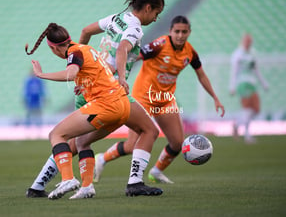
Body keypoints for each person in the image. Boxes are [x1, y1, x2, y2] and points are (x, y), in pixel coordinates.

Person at [26, 0, 165, 198]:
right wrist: (120, 77)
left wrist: (78, 64)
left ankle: (41, 186)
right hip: (108, 90)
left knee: (77, 141)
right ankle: (134, 183)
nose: (156, 18)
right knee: (149, 130)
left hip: (89, 88)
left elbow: (85, 31)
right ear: (147, 8)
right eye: (156, 13)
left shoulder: (116, 18)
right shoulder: (135, 28)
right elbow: (121, 50)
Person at [93, 15, 225, 184]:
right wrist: (118, 74)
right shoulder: (160, 45)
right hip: (144, 98)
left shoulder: (190, 52)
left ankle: (156, 172)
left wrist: (215, 98)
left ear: (189, 33)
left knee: (177, 143)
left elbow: (201, 75)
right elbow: (135, 56)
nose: (180, 35)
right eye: (177, 31)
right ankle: (102, 159)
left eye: (184, 32)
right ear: (170, 32)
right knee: (132, 145)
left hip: (165, 100)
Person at [230, 33, 268, 143]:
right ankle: (247, 135)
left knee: (256, 109)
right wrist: (232, 86)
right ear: (243, 41)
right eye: (247, 40)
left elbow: (256, 70)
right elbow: (234, 72)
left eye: (250, 41)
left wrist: (263, 83)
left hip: (252, 83)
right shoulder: (237, 54)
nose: (248, 43)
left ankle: (237, 125)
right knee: (247, 109)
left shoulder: (252, 53)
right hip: (242, 83)